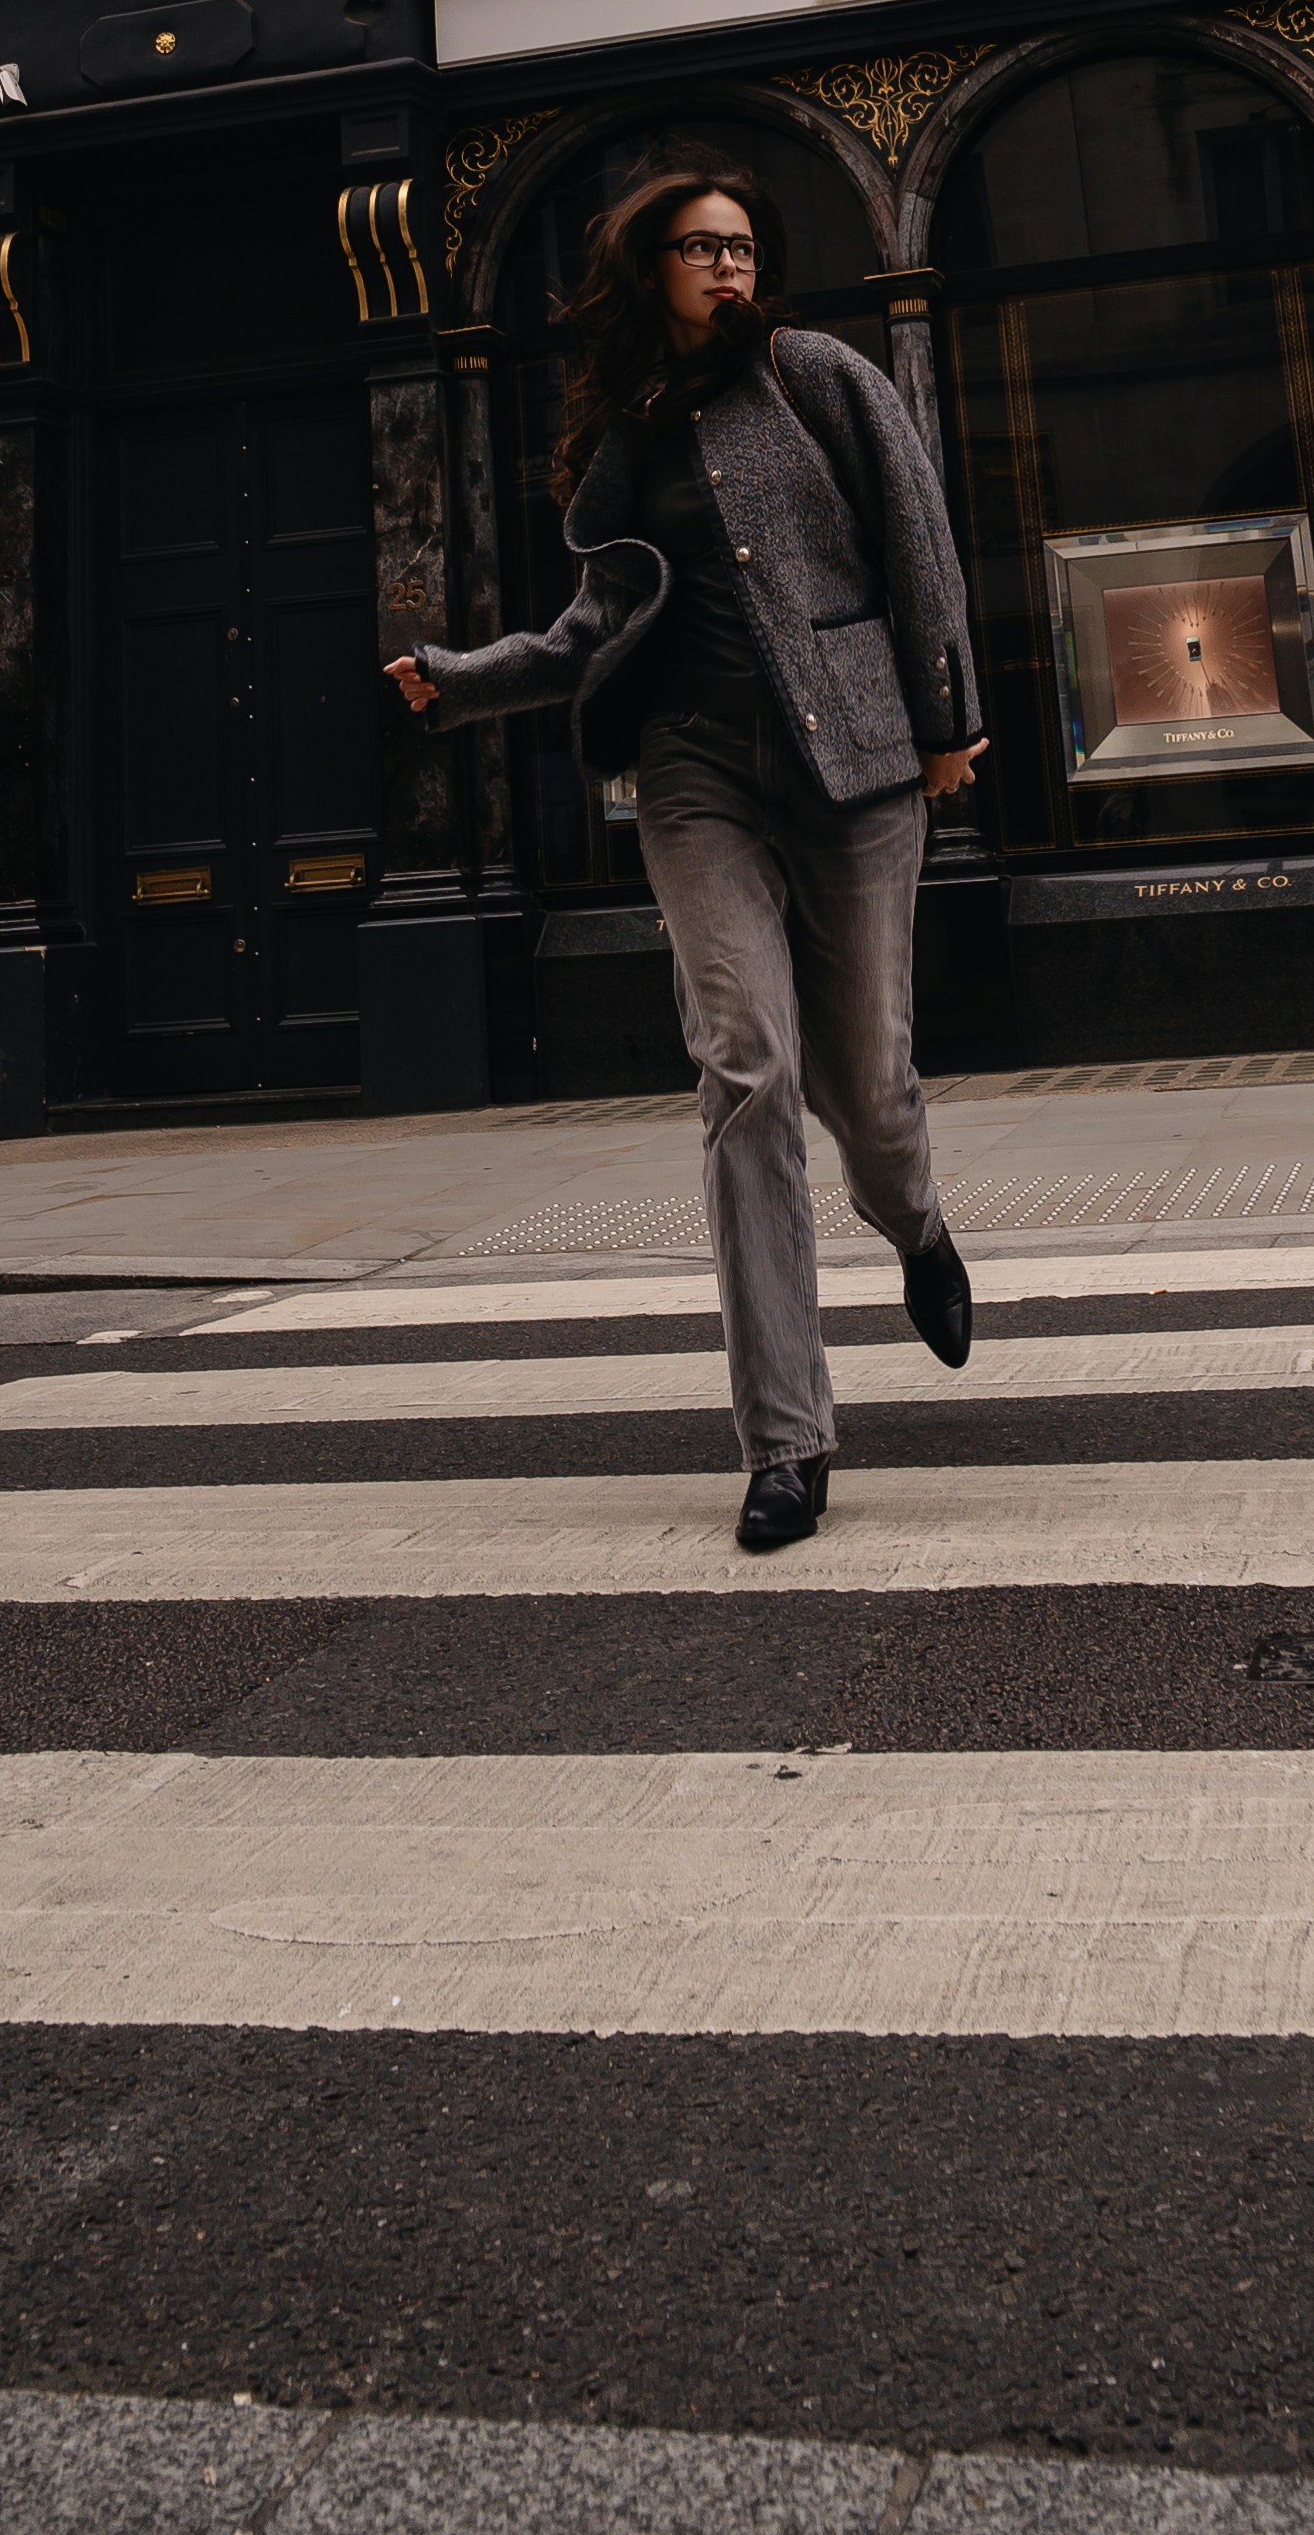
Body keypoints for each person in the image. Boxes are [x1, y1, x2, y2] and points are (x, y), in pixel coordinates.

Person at [386, 163, 987, 1554]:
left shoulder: (815, 372)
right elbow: (591, 628)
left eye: (739, 242)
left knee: (865, 1080)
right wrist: (458, 679)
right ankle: (785, 1440)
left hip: (855, 765)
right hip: (692, 773)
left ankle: (914, 1223)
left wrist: (948, 716)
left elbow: (920, 540)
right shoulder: (621, 434)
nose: (724, 265)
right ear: (644, 265)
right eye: (696, 245)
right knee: (745, 1065)